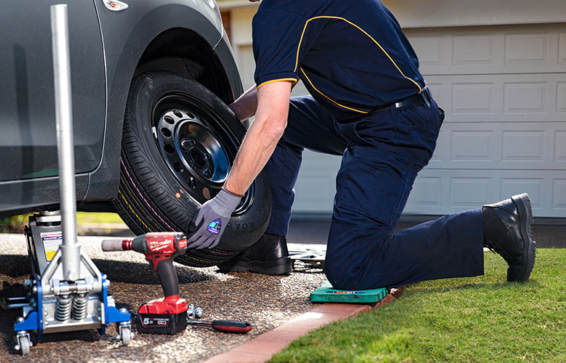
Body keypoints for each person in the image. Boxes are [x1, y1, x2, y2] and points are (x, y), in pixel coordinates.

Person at [186, 0, 536, 290]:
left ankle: (492, 224)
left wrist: (225, 202)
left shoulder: (280, 11)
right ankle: (265, 246)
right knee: (288, 120)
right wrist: (228, 114)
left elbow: (270, 123)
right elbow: (273, 97)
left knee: (352, 267)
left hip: (393, 130)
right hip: (377, 114)